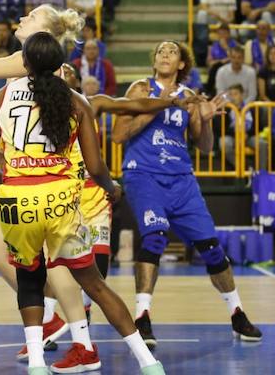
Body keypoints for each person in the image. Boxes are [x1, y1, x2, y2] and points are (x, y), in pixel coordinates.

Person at [0, 11, 183, 371]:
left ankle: (75, 338)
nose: (22, 16)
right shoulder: (52, 74)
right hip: (50, 182)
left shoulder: (22, 68)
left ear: (40, 36)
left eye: (32, 15)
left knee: (47, 269)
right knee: (14, 255)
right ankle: (80, 335)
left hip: (50, 178)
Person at [0, 32, 167, 375]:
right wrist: (111, 187)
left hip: (18, 201)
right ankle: (148, 361)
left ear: (26, 62)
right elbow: (94, 167)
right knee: (94, 283)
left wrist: (10, 178)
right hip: (61, 200)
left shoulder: (1, 98)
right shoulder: (77, 101)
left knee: (30, 281)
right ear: (60, 65)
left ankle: (36, 364)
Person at [112, 41, 262, 347]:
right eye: (160, 51)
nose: (164, 54)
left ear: (182, 64)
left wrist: (204, 120)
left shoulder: (190, 97)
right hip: (144, 174)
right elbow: (118, 135)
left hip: (181, 179)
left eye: (171, 52)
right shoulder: (141, 89)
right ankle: (142, 317)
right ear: (154, 61)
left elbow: (205, 146)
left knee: (211, 247)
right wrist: (159, 106)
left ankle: (237, 313)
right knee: (155, 237)